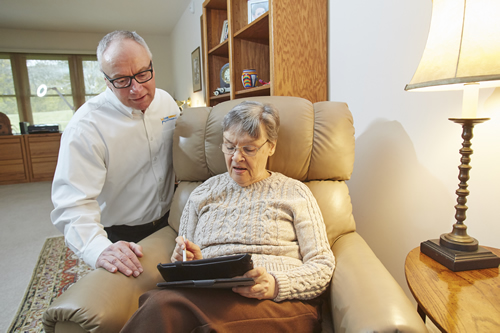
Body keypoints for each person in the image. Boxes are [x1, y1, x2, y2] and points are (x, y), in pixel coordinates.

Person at [121, 101, 335, 332]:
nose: (236, 158)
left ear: (271, 146)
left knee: (181, 317)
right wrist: (187, 262)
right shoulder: (201, 193)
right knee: (157, 303)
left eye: (249, 149)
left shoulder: (296, 192)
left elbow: (322, 265)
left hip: (277, 302)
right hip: (208, 296)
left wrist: (275, 284)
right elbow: (182, 260)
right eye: (229, 146)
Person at [51, 30, 180, 278]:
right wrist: (98, 249)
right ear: (106, 80)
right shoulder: (85, 127)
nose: (137, 88)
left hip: (169, 222)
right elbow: (72, 204)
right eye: (121, 80)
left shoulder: (166, 103)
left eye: (143, 73)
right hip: (120, 235)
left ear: (151, 65)